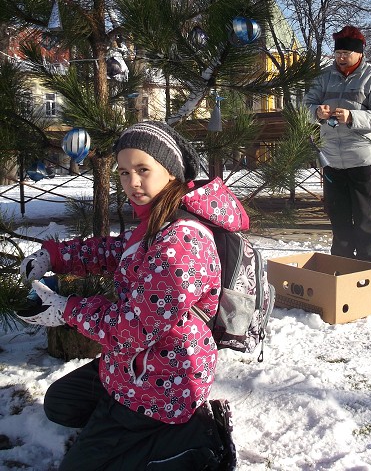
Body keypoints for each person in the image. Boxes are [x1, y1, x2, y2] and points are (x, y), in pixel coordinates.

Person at [17, 120, 249, 470]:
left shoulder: (182, 241)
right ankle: (128, 431)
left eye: (143, 170)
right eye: (124, 173)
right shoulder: (160, 217)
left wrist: (67, 310)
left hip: (165, 380)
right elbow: (120, 251)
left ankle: (192, 434)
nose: (132, 183)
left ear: (170, 172)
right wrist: (56, 256)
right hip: (135, 363)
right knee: (60, 404)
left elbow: (137, 326)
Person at [303, 26, 371, 263]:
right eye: (338, 53)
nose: (341, 57)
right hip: (332, 159)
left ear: (360, 53)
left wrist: (353, 117)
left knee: (365, 220)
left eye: (346, 53)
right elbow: (305, 107)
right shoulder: (323, 77)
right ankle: (341, 270)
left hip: (364, 159)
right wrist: (316, 112)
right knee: (338, 219)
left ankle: (366, 272)